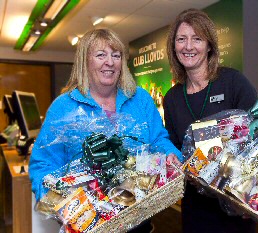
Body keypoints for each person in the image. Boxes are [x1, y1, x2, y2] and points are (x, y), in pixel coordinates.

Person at [29, 28, 181, 233]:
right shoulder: (63, 108)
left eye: (116, 55)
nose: (110, 62)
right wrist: (58, 203)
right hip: (87, 222)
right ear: (85, 61)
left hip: (138, 219)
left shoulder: (140, 99)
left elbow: (158, 140)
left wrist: (171, 155)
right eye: (101, 55)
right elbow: (43, 165)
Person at [164, 9, 258, 233]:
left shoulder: (233, 82)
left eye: (197, 38)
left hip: (236, 202)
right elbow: (177, 147)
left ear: (209, 45)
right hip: (196, 207)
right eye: (181, 39)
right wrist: (171, 159)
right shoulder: (172, 98)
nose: (188, 46)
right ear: (173, 46)